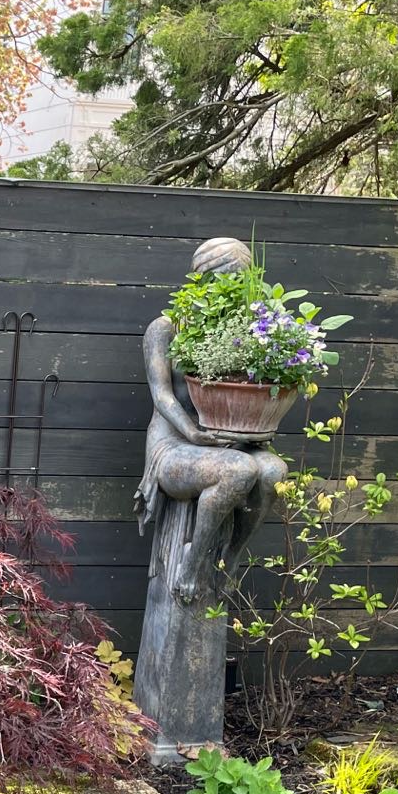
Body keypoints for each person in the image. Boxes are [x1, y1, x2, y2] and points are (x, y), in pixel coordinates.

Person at [136, 236, 288, 604]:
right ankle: (193, 562)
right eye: (226, 280)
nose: (234, 289)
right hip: (174, 447)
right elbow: (162, 396)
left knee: (273, 474)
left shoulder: (248, 332)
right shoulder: (166, 328)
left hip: (228, 442)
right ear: (201, 279)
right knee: (237, 471)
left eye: (242, 281)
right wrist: (192, 431)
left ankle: (231, 555)